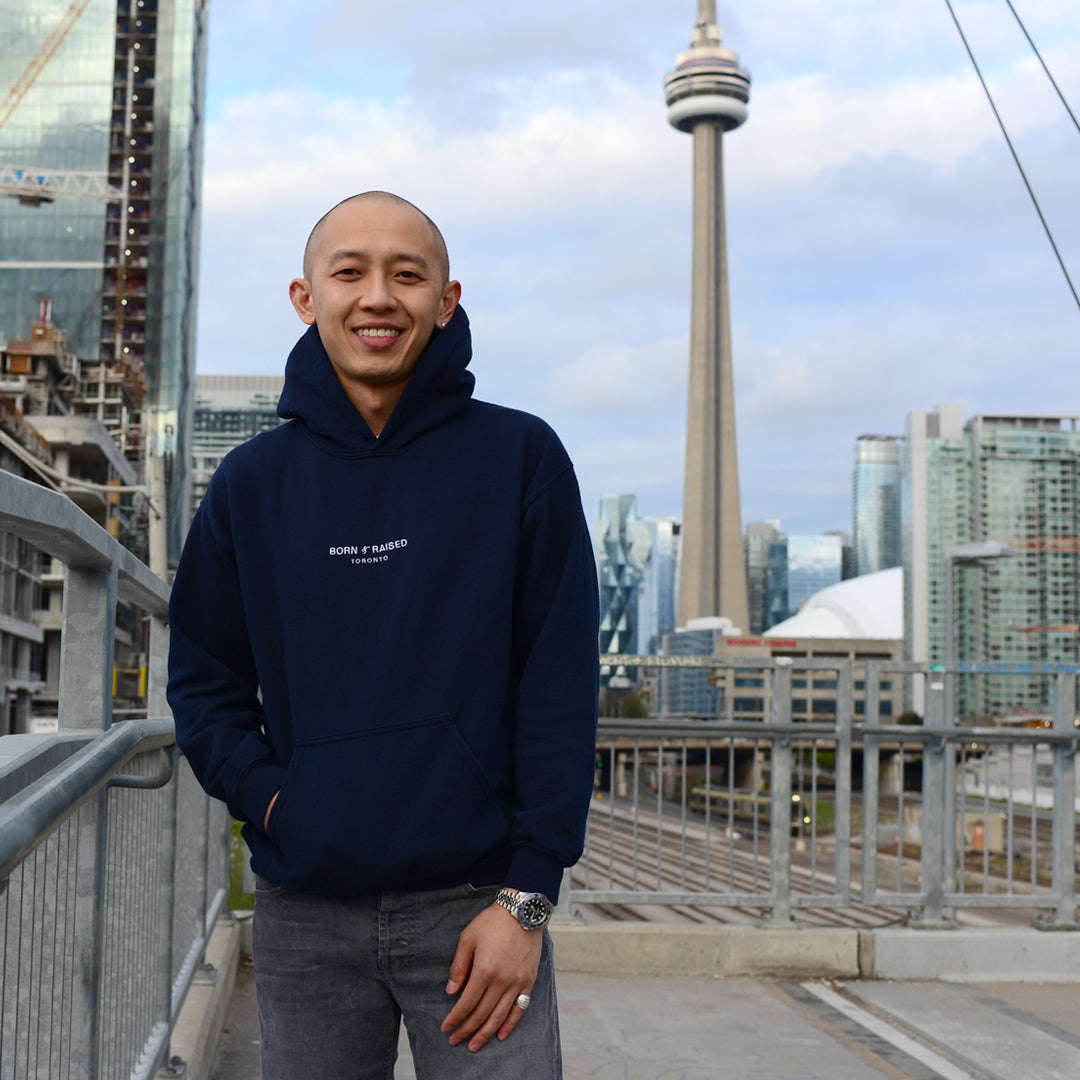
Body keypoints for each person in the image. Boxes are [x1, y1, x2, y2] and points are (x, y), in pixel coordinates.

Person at [167, 191, 599, 1079]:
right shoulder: (252, 484)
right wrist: (272, 797)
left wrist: (528, 899)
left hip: (479, 909)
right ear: (304, 296)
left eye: (409, 275)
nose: (378, 296)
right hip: (306, 910)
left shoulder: (521, 459)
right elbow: (203, 680)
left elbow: (557, 685)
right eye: (350, 272)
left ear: (447, 300)